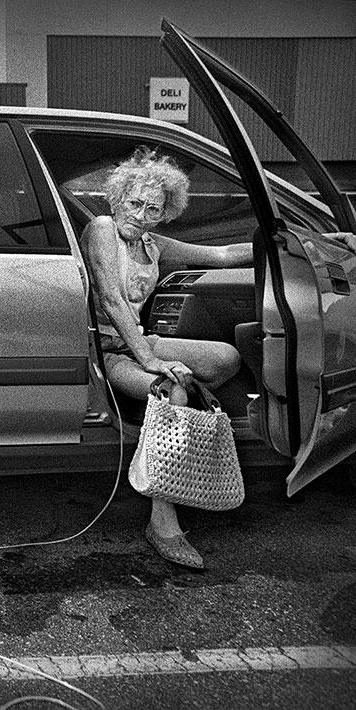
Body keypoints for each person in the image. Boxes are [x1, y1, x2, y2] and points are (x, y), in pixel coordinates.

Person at [81, 147, 252, 570]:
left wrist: (297, 242)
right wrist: (151, 360)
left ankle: (157, 431)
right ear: (118, 198)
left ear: (165, 213)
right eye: (134, 203)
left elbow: (223, 257)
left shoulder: (152, 243)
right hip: (109, 350)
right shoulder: (101, 227)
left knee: (226, 358)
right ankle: (162, 520)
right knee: (175, 388)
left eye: (152, 208)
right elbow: (111, 299)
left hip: (140, 342)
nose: (140, 215)